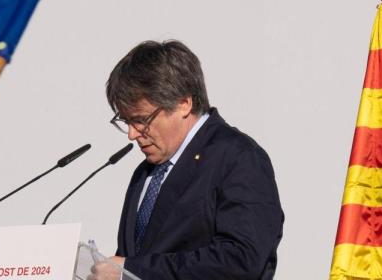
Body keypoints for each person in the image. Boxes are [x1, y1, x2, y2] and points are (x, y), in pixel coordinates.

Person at [90, 40, 283, 280]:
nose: (132, 134)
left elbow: (241, 260)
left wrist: (131, 270)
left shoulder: (237, 157)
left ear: (184, 103)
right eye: (126, 122)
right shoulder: (146, 173)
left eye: (140, 120)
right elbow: (137, 254)